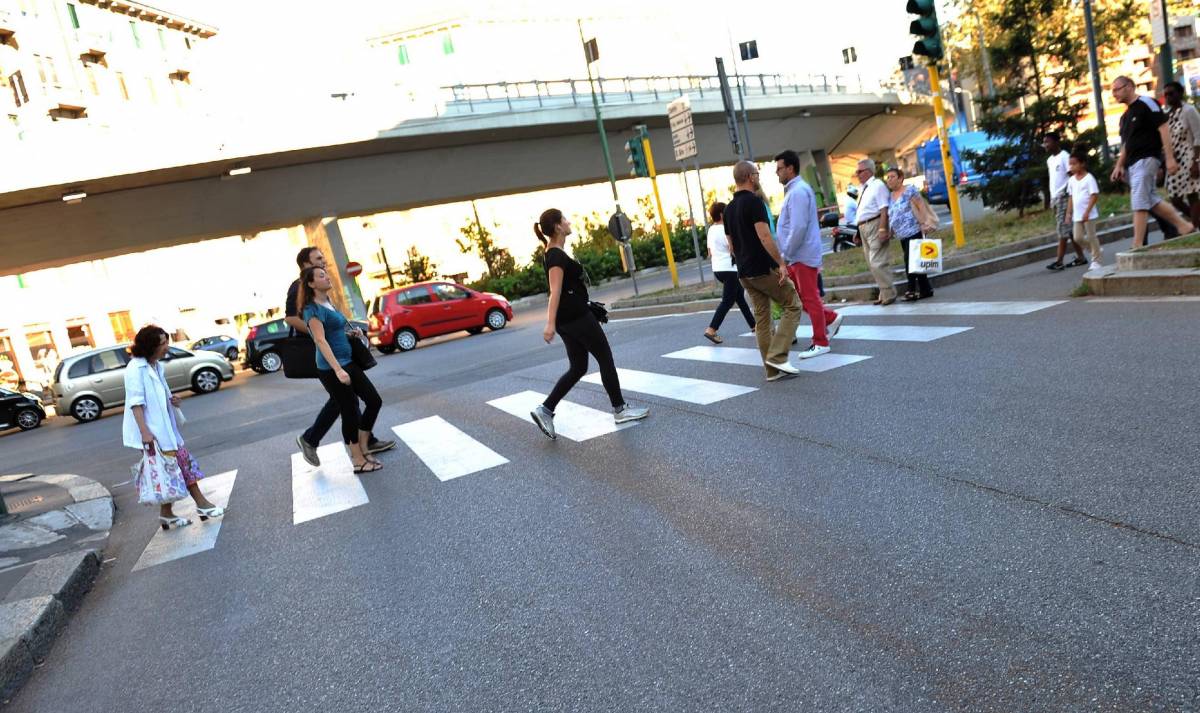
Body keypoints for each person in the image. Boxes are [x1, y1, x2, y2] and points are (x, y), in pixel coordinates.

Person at [529, 209, 648, 440]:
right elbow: (555, 291)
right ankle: (620, 409)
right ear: (557, 227)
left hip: (570, 318)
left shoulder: (555, 252)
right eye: (564, 219)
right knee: (605, 357)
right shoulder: (555, 255)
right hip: (575, 318)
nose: (569, 221)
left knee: (578, 367)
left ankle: (545, 410)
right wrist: (549, 324)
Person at [285, 247, 393, 467]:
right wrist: (317, 331)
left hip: (341, 356)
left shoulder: (325, 295)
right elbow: (291, 318)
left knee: (348, 402)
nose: (324, 263)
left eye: (323, 259)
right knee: (346, 403)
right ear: (306, 266)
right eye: (318, 260)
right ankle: (357, 452)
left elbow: (332, 323)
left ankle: (356, 443)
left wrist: (344, 333)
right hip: (326, 357)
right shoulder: (300, 289)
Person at [123, 325, 224, 530]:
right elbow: (136, 403)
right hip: (154, 432)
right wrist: (145, 432)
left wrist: (172, 399)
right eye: (163, 343)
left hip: (166, 429)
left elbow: (158, 396)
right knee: (181, 465)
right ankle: (202, 504)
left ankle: (167, 514)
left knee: (172, 470)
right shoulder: (135, 369)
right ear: (150, 346)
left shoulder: (156, 366)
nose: (167, 347)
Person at [723, 160, 804, 381]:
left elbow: (731, 246)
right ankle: (777, 357)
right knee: (793, 304)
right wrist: (780, 263)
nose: (759, 177)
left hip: (744, 273)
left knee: (763, 319)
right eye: (757, 173)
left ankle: (771, 371)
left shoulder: (728, 209)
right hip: (762, 269)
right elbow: (765, 236)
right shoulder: (754, 202)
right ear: (750, 176)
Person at [1109, 76, 1195, 248]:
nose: (1114, 94)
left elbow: (1163, 128)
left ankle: (1138, 244)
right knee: (1151, 200)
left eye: (1117, 89)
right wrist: (1119, 165)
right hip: (1133, 163)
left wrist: (1169, 158)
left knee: (1140, 201)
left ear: (1129, 86)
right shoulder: (1125, 117)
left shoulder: (1147, 103)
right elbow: (1126, 144)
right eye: (1112, 91)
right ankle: (1185, 226)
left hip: (1147, 158)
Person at [774, 150, 843, 358]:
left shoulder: (797, 192)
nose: (777, 173)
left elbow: (798, 227)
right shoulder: (794, 190)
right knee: (802, 299)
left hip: (800, 255)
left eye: (779, 169)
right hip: (798, 255)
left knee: (809, 298)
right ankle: (830, 318)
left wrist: (785, 254)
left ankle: (820, 341)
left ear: (790, 168)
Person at [703, 201, 755, 344]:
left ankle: (754, 325)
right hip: (730, 269)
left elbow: (709, 252)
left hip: (718, 269)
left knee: (739, 297)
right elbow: (732, 248)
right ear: (721, 214)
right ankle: (712, 329)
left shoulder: (711, 230)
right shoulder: (725, 229)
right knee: (727, 301)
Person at [884, 167, 938, 301]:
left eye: (892, 177)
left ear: (900, 178)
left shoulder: (910, 190)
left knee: (910, 260)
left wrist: (925, 223)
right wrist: (890, 231)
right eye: (888, 177)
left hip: (914, 230)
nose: (889, 180)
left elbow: (921, 206)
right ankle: (926, 289)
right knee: (916, 261)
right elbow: (892, 215)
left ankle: (911, 290)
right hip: (901, 234)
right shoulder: (890, 197)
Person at [854, 158, 897, 305]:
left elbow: (884, 209)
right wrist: (858, 232)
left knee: (877, 261)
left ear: (869, 171)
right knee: (871, 262)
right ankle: (883, 292)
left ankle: (889, 293)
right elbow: (862, 211)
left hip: (875, 224)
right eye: (857, 171)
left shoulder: (877, 185)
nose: (857, 174)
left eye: (860, 171)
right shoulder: (863, 188)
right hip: (864, 227)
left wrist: (883, 228)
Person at [1043, 132, 1087, 271]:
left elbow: (1072, 176)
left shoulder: (1064, 157)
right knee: (1069, 230)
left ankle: (1059, 260)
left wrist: (1073, 194)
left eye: (1048, 142)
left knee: (1062, 229)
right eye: (1044, 142)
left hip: (1064, 196)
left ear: (1056, 142)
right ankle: (1081, 257)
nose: (1045, 145)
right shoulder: (1050, 160)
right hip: (1056, 198)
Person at [1163, 81, 1200, 228]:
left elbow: (1198, 135)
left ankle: (1195, 227)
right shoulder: (1167, 114)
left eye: (1171, 93)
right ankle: (1196, 223)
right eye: (1166, 94)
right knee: (1175, 198)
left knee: (1192, 194)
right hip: (1175, 160)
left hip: (1190, 157)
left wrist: (1196, 162)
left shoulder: (1189, 110)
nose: (1168, 97)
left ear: (1180, 93)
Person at [1066, 152, 1104, 270]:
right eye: (1070, 164)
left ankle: (1096, 261)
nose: (1071, 167)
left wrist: (1087, 211)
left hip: (1089, 214)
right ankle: (1095, 249)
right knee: (1077, 238)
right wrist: (1068, 213)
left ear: (1082, 164)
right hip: (1077, 215)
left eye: (1074, 164)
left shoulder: (1089, 178)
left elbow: (1094, 195)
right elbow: (1071, 197)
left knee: (1092, 236)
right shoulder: (1071, 180)